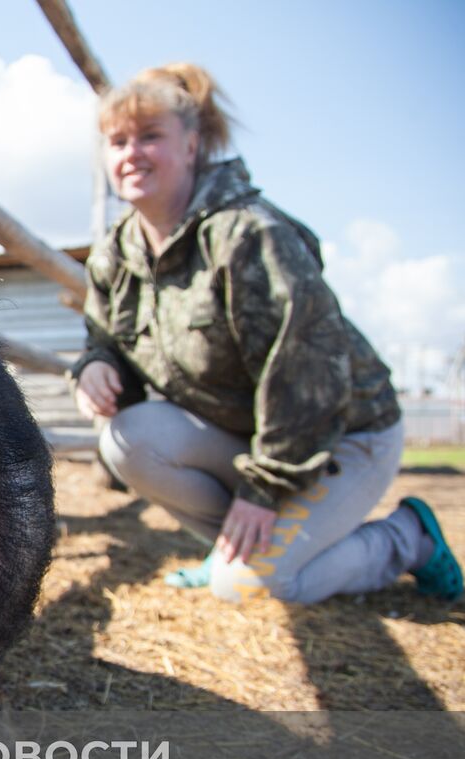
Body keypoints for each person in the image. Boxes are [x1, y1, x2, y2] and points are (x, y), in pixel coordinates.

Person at [71, 63, 461, 604]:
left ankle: (407, 538)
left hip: (343, 434)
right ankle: (246, 545)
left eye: (150, 136)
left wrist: (264, 491)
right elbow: (105, 339)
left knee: (254, 587)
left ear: (191, 145)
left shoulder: (250, 235)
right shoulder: (118, 253)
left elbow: (308, 377)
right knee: (128, 440)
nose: (131, 153)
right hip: (251, 435)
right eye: (117, 141)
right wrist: (95, 366)